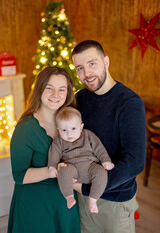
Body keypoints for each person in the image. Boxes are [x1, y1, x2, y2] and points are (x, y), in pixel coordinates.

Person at [71, 40, 146, 233]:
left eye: (92, 63)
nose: (86, 73)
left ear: (106, 61)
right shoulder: (79, 100)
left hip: (115, 202)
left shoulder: (129, 102)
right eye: (79, 68)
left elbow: (134, 162)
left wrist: (89, 188)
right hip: (83, 200)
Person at [7, 67, 81, 233]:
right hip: (35, 207)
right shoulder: (26, 129)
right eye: (50, 88)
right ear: (39, 89)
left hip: (65, 203)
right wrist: (52, 171)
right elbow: (19, 176)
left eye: (62, 89)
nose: (56, 95)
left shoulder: (71, 120)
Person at [48, 106, 114, 214]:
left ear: (81, 126)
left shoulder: (88, 135)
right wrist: (51, 167)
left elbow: (99, 148)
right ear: (58, 130)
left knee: (101, 172)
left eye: (73, 129)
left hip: (90, 165)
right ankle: (69, 196)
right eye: (64, 130)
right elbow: (54, 154)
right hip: (71, 168)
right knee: (63, 171)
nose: (69, 134)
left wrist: (105, 160)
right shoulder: (58, 142)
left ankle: (93, 199)